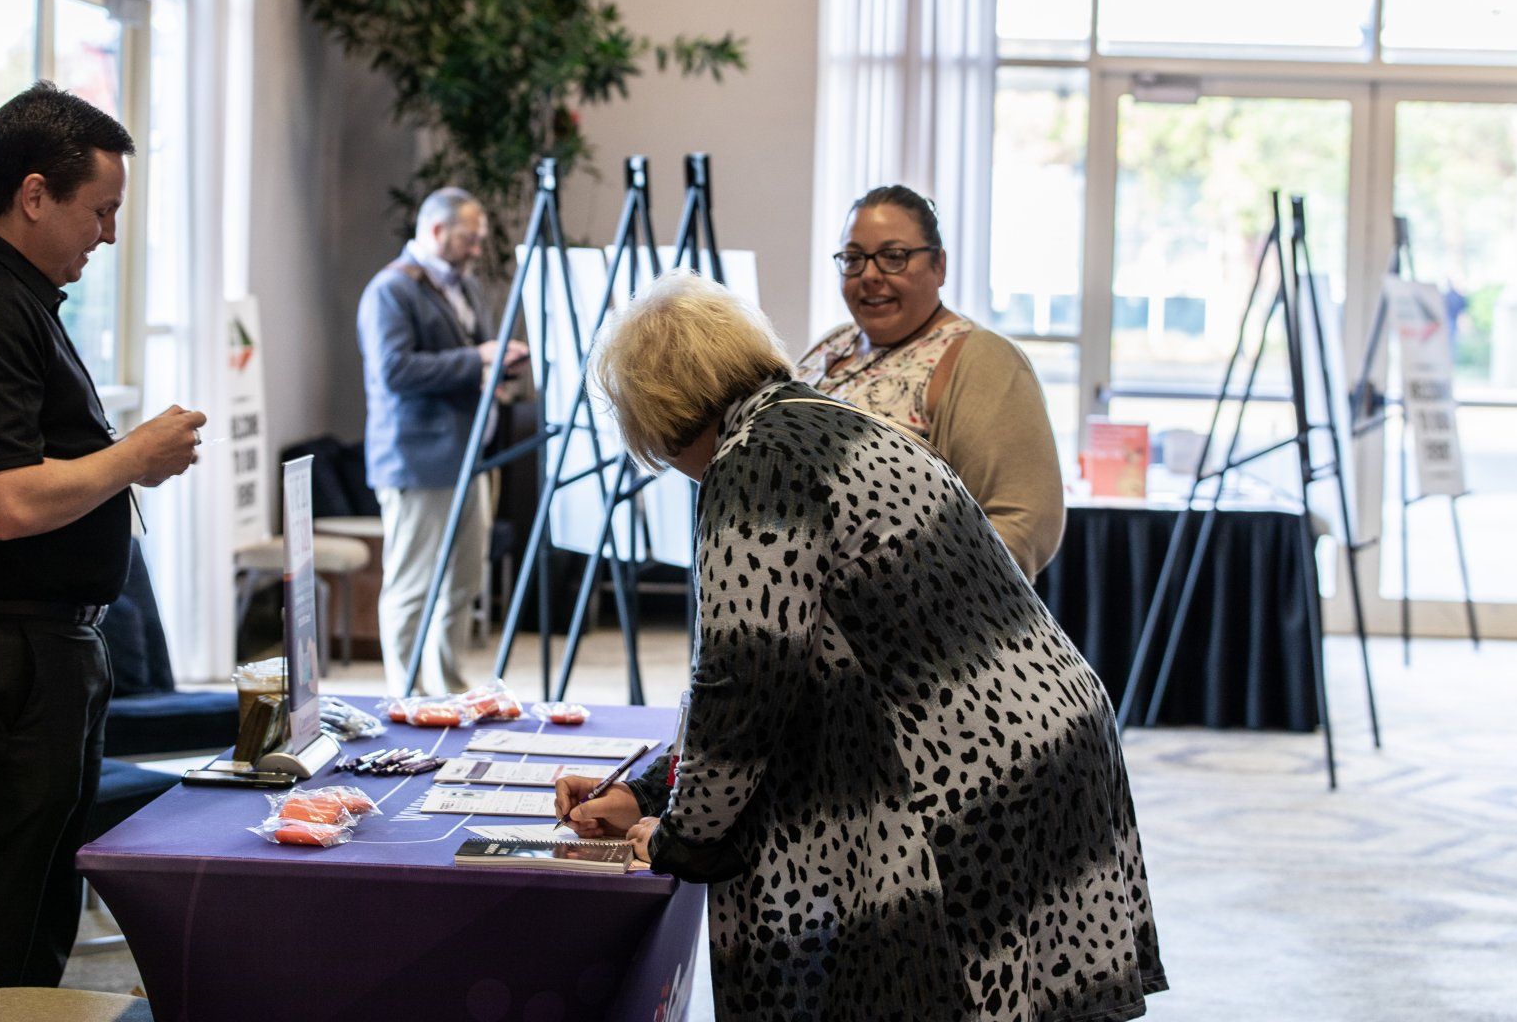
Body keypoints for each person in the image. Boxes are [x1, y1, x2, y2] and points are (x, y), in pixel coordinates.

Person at [560, 271, 1166, 1022]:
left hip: (969, 776)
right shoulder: (821, 418)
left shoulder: (756, 462)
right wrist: (645, 791)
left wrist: (682, 837)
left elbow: (746, 681)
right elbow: (774, 665)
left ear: (661, 407)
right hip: (1045, 741)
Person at [0, 82, 206, 999]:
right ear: (34, 195)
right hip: (2, 657)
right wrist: (133, 457)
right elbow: (7, 504)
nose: (106, 235)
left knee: (35, 922)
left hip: (39, 648)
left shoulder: (14, 298)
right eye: (99, 210)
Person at [797, 185, 1065, 580]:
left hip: (904, 625)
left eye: (893, 257)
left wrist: (917, 608)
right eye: (853, 259)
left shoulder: (983, 360)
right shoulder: (830, 345)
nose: (869, 275)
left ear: (938, 265)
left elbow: (1023, 523)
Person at [358, 187, 527, 695]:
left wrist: (494, 376)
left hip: (468, 458)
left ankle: (448, 688)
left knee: (462, 582)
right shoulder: (390, 290)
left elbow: (468, 358)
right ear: (436, 231)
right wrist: (479, 359)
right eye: (469, 239)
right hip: (417, 459)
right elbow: (393, 370)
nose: (478, 249)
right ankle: (405, 695)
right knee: (412, 584)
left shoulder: (467, 287)